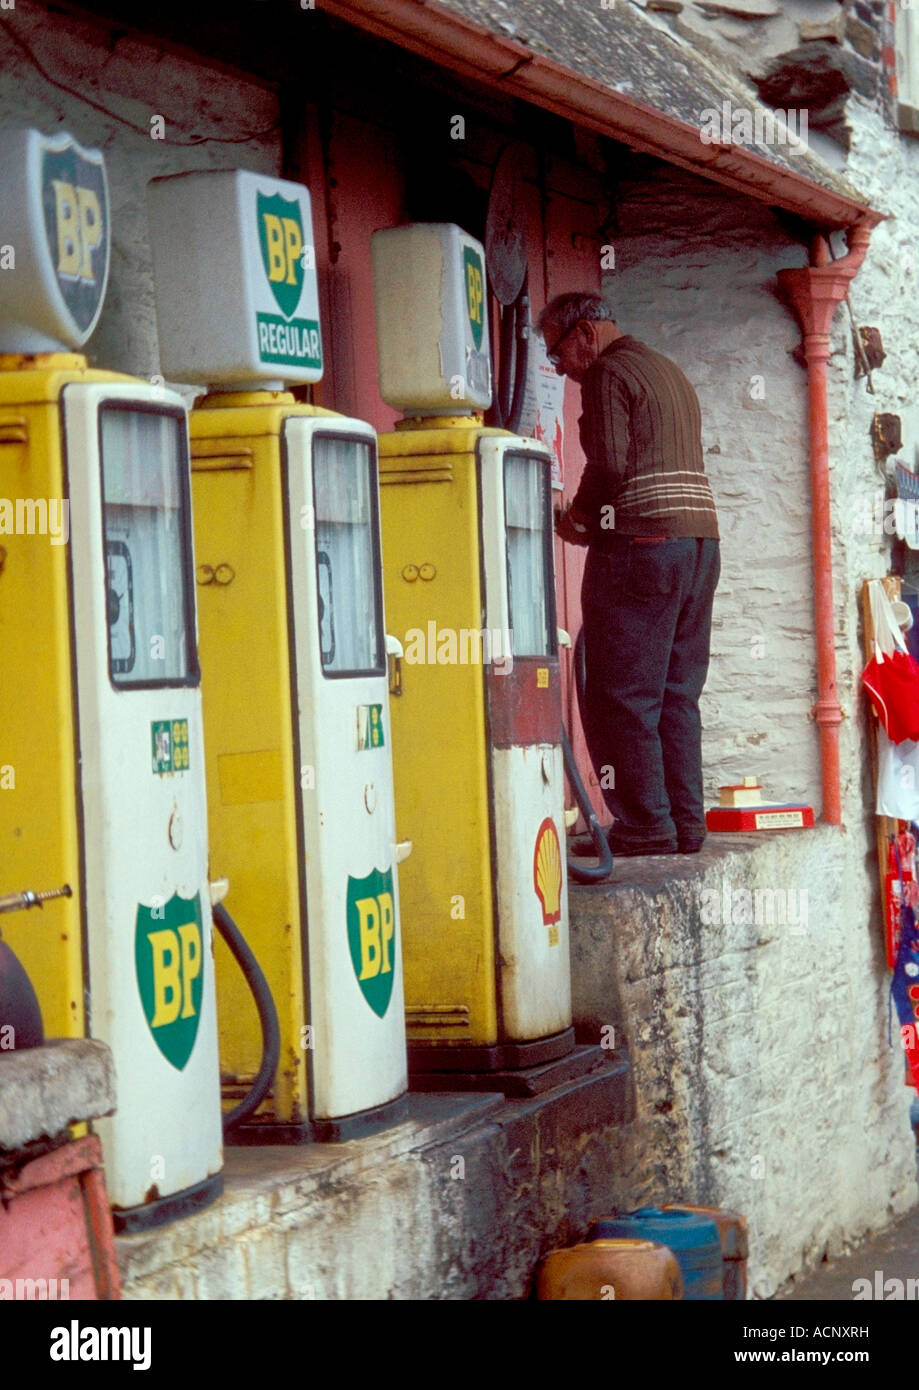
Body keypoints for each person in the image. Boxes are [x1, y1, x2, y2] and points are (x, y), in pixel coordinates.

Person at [537, 292, 719, 857]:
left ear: (584, 333)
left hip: (643, 545)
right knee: (675, 692)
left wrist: (578, 520)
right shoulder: (667, 369)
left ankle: (643, 823)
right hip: (700, 545)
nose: (558, 367)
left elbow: (611, 463)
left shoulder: (606, 372)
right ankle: (684, 824)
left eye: (556, 351)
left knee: (620, 690)